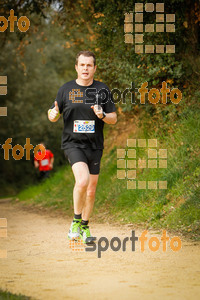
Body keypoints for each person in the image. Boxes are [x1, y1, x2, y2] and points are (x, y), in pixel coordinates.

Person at [48, 50, 117, 243]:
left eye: (89, 65)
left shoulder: (102, 90)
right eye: (82, 65)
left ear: (94, 68)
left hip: (94, 146)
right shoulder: (66, 89)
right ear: (76, 67)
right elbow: (54, 112)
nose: (85, 68)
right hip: (73, 144)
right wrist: (52, 115)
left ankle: (85, 227)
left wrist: (102, 114)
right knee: (82, 181)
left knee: (91, 190)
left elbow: (113, 118)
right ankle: (76, 221)